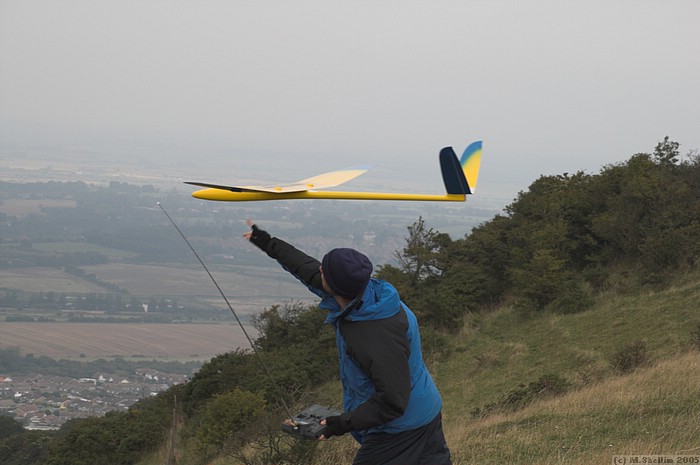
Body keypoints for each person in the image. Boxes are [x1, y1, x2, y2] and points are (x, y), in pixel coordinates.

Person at [244, 219, 452, 465]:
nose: (319, 270)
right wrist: (266, 241)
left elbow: (393, 401)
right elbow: (307, 268)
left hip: (399, 427)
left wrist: (339, 424)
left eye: (325, 270)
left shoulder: (373, 334)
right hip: (423, 410)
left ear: (334, 285)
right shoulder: (368, 294)